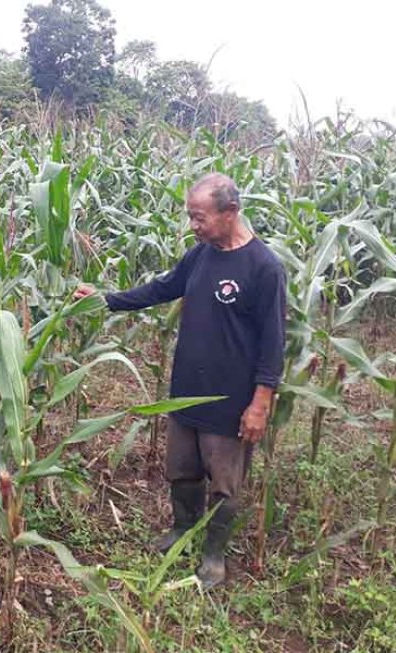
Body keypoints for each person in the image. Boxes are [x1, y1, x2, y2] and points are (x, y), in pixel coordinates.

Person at [75, 173, 286, 588]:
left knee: (225, 482)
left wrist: (260, 403)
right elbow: (163, 288)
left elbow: (273, 344)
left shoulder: (264, 268)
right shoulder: (200, 255)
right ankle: (182, 528)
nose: (193, 225)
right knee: (183, 470)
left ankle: (213, 554)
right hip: (186, 391)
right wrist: (106, 300)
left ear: (230, 212)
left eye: (199, 217)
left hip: (231, 399)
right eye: (191, 217)